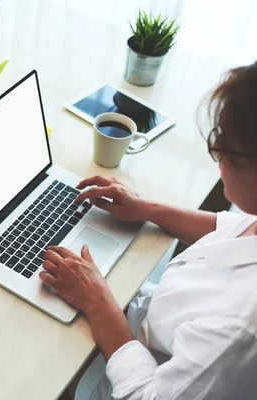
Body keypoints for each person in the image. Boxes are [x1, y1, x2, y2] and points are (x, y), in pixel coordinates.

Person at [43, 62, 257, 399]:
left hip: (139, 376)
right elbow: (232, 229)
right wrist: (146, 208)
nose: (217, 161)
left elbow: (148, 395)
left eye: (224, 147)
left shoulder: (241, 328)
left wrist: (97, 301)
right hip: (151, 322)